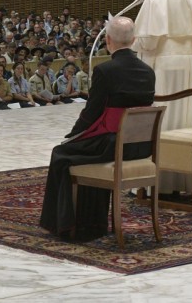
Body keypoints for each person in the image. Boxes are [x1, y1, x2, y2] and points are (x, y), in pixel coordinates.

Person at [39, 16, 155, 241]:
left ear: (108, 40)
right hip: (140, 147)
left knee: (61, 153)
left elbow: (91, 113)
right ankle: (94, 222)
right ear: (133, 40)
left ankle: (63, 224)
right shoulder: (148, 71)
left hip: (112, 144)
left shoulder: (105, 70)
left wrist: (73, 136)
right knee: (80, 152)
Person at [133, 0, 192, 192]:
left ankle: (160, 182)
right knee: (185, 117)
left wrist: (132, 41)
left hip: (164, 65)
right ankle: (186, 179)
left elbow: (148, 41)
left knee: (164, 118)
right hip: (190, 62)